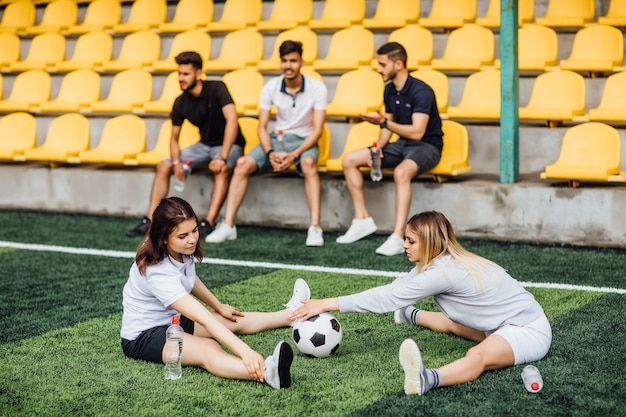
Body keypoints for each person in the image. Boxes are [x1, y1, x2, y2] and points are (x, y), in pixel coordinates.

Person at [290, 211, 552, 396]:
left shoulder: (441, 274)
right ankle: (410, 315)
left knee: (478, 356)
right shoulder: (440, 261)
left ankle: (429, 378)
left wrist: (325, 303)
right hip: (499, 324)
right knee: (452, 324)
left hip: (527, 330)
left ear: (429, 243)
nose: (404, 245)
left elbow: (387, 298)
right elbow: (398, 288)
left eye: (410, 241)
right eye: (405, 238)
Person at [121, 197, 312, 389]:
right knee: (207, 347)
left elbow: (188, 279)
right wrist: (246, 352)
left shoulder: (178, 248)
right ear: (163, 238)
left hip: (172, 320)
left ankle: (293, 315)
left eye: (194, 230)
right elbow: (204, 319)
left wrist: (218, 306)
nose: (193, 239)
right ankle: (268, 372)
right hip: (144, 335)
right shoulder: (157, 271)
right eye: (183, 236)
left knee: (233, 320)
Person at [205, 41, 327, 247]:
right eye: (285, 61)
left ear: (301, 62)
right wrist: (270, 151)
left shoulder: (317, 87)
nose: (288, 65)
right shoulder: (271, 87)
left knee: (308, 165)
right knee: (242, 164)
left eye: (293, 61)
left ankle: (315, 227)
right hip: (275, 140)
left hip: (303, 141)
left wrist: (294, 154)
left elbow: (317, 129)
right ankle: (228, 225)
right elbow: (261, 127)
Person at [336, 42, 444, 256]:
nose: (379, 69)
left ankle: (397, 235)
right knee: (349, 160)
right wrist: (377, 149)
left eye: (383, 64)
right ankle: (362, 220)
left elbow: (417, 132)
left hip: (427, 146)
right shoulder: (389, 89)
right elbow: (389, 125)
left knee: (401, 172)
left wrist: (383, 123)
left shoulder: (422, 91)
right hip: (402, 145)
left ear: (399, 64)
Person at [127, 51, 246, 239]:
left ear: (198, 74)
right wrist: (176, 163)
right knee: (163, 165)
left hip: (229, 144)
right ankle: (150, 220)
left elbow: (232, 121)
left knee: (220, 169)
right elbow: (174, 138)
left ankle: (209, 222)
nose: (181, 78)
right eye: (179, 74)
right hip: (204, 145)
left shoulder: (217, 88)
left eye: (186, 74)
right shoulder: (180, 102)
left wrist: (222, 157)